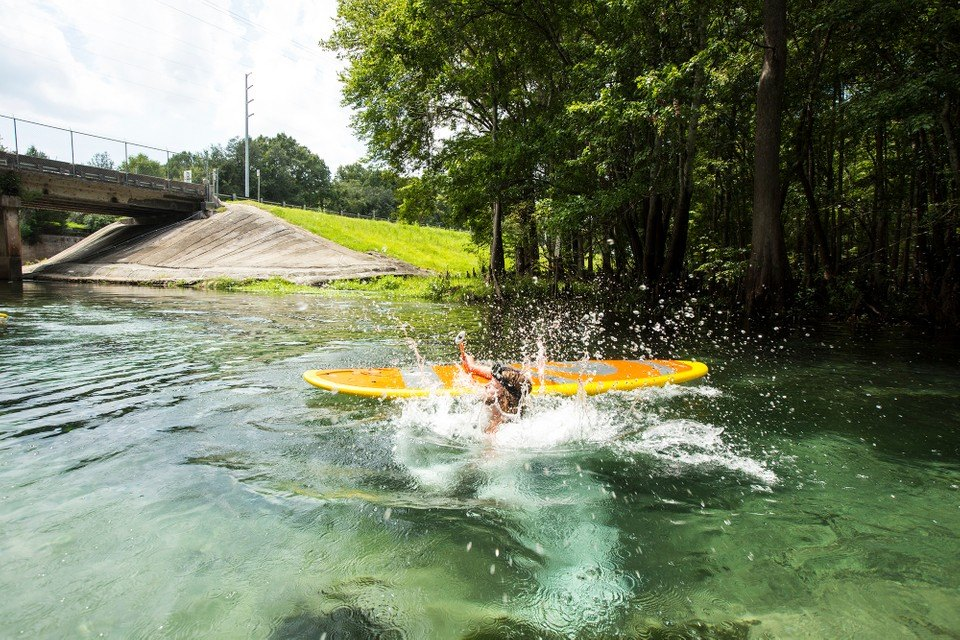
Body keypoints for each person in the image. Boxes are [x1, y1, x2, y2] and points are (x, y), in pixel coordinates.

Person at [456, 331, 531, 434]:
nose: (487, 384)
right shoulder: (500, 390)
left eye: (491, 384)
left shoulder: (496, 425)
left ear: (503, 393)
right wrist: (469, 364)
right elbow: (472, 369)